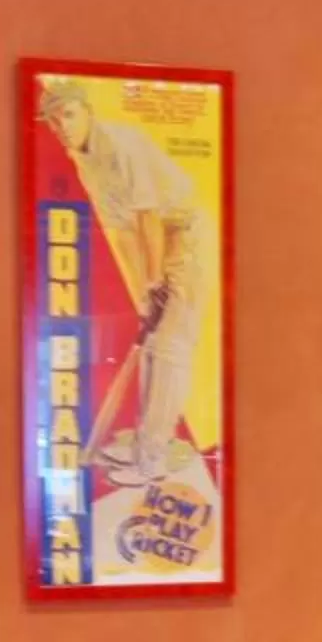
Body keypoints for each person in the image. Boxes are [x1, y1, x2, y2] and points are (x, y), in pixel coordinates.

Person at [37, 78, 210, 486]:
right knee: (150, 339)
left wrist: (155, 282)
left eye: (69, 114)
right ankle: (145, 442)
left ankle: (152, 458)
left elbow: (149, 218)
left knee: (170, 347)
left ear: (88, 112)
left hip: (184, 236)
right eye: (53, 119)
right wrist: (143, 293)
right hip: (154, 241)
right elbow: (127, 231)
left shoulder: (120, 146)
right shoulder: (85, 158)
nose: (61, 125)